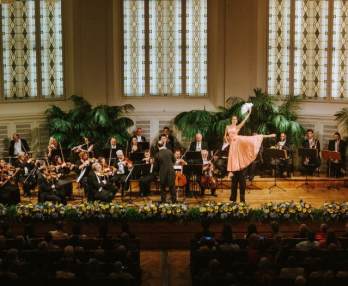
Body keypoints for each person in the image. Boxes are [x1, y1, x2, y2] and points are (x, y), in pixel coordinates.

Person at [224, 106, 275, 202]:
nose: (234, 120)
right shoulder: (227, 127)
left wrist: (249, 113)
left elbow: (244, 121)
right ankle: (233, 197)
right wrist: (227, 141)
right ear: (231, 120)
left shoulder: (237, 127)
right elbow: (225, 136)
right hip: (233, 145)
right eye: (233, 119)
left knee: (253, 139)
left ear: (236, 120)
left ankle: (268, 136)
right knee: (235, 175)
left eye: (235, 119)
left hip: (238, 141)